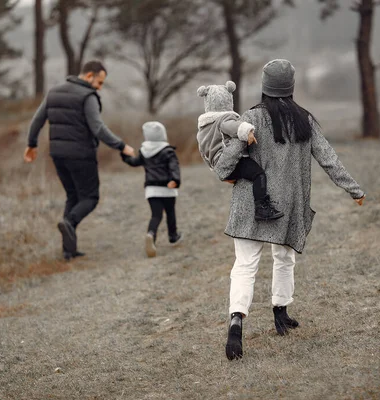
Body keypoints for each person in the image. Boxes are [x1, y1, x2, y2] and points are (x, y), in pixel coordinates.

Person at [212, 59, 366, 360]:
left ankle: (236, 322)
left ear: (264, 87)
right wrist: (354, 189)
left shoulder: (250, 119)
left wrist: (228, 170)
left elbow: (225, 164)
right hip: (287, 206)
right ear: (291, 87)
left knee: (244, 265)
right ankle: (280, 312)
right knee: (284, 258)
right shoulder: (304, 121)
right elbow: (328, 158)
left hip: (249, 203)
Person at [23, 60, 135, 260]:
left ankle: (68, 250)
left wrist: (32, 144)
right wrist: (121, 145)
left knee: (73, 197)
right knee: (90, 198)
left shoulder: (54, 92)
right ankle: (70, 223)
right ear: (89, 75)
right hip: (81, 155)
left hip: (58, 155)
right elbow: (98, 128)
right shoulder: (87, 96)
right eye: (99, 82)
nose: (99, 88)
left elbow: (37, 120)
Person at [196, 81, 283, 221]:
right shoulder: (223, 120)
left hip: (218, 163)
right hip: (230, 159)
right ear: (228, 100)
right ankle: (261, 208)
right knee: (259, 175)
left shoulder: (204, 127)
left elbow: (203, 150)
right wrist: (248, 131)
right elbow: (235, 127)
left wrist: (216, 168)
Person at [121, 121, 182, 258]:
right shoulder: (168, 151)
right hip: (167, 188)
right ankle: (173, 236)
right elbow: (174, 167)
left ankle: (151, 235)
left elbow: (134, 162)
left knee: (156, 215)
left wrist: (124, 155)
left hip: (151, 189)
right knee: (170, 213)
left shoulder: (144, 151)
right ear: (163, 135)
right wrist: (175, 180)